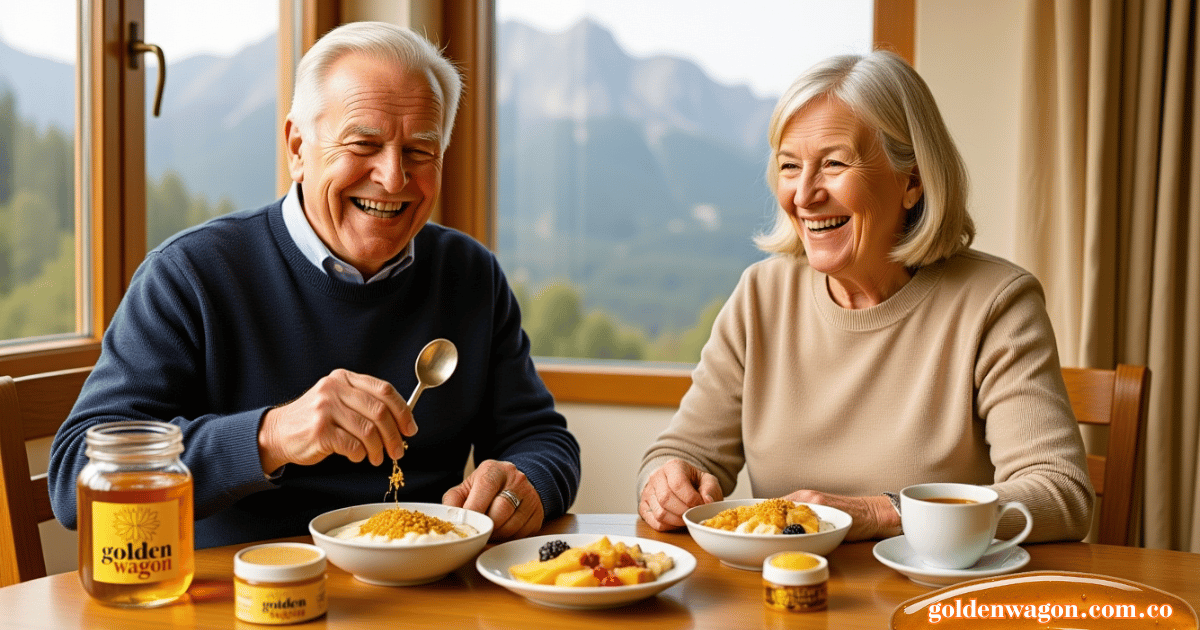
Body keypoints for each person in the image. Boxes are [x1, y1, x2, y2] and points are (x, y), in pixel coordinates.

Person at [49, 21, 580, 548]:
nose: (393, 179)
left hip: (424, 594)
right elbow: (76, 477)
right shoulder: (191, 275)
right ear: (298, 147)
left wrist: (525, 484)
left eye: (420, 152)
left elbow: (540, 438)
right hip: (240, 599)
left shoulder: (470, 274)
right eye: (363, 144)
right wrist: (272, 436)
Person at [637, 50, 1093, 543]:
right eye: (790, 166)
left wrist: (882, 513)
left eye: (834, 163)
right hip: (785, 600)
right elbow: (682, 453)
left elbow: (1060, 494)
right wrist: (668, 481)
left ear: (912, 182)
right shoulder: (760, 295)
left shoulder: (997, 303)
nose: (805, 194)